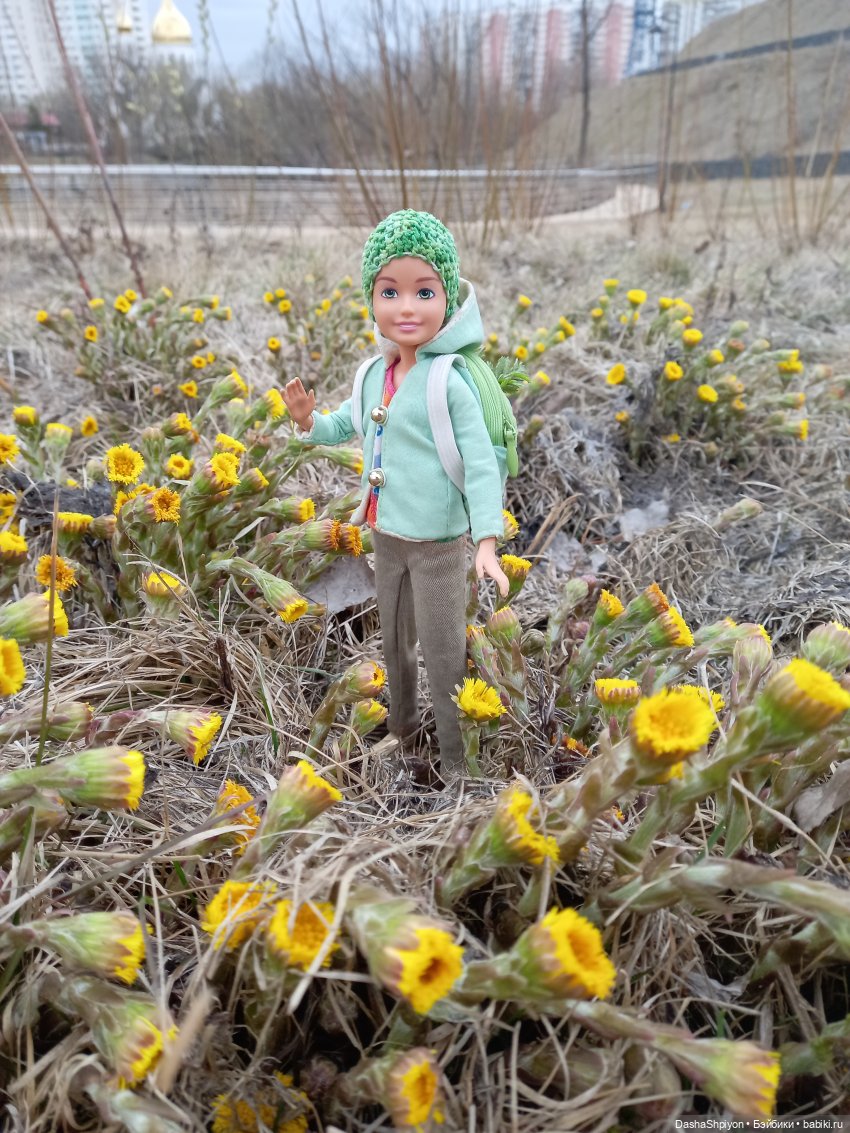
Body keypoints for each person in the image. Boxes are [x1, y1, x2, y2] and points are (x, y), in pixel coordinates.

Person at [283, 209, 508, 782]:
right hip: (386, 537)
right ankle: (405, 731)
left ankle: (456, 761)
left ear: (448, 301)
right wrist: (308, 421)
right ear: (372, 299)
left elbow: (480, 462)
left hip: (437, 545)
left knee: (444, 652)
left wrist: (486, 538)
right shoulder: (372, 375)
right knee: (395, 643)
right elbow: (345, 425)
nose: (406, 308)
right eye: (390, 292)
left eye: (424, 292)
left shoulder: (448, 380)